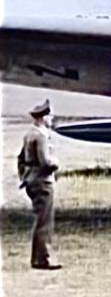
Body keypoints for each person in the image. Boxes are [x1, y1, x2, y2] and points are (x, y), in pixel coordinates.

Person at [17, 100, 61, 270]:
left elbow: (20, 159)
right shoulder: (41, 135)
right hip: (43, 181)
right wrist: (56, 164)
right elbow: (45, 161)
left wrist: (24, 176)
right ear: (44, 117)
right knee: (44, 221)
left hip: (31, 180)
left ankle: (38, 257)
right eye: (50, 116)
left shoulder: (29, 134)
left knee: (40, 219)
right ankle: (43, 259)